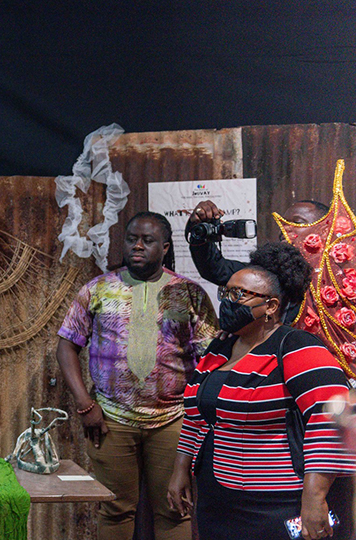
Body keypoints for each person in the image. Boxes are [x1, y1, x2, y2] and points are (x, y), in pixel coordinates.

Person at [167, 242, 356, 540]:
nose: (228, 302)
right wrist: (181, 469)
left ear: (270, 306)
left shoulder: (296, 347)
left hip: (280, 505)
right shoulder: (220, 349)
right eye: (225, 293)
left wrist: (315, 497)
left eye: (239, 295)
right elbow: (196, 416)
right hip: (219, 501)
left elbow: (337, 419)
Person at [56, 211, 219, 540]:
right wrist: (86, 404)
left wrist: (200, 413)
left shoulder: (189, 293)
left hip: (174, 420)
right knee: (114, 509)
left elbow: (212, 358)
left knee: (176, 507)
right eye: (132, 239)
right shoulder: (98, 289)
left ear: (165, 246)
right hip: (111, 420)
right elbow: (66, 346)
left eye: (148, 241)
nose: (138, 246)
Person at [187, 198, 328, 287]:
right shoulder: (269, 273)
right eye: (282, 223)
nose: (285, 229)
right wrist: (200, 231)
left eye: (297, 223)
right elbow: (216, 270)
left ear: (324, 230)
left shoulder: (343, 278)